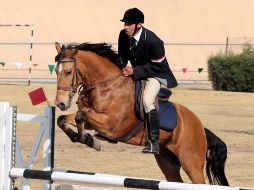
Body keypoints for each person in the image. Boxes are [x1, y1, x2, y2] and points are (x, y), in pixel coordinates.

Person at [118, 8, 178, 154]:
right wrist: (121, 67)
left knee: (147, 100)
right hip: (138, 70)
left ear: (139, 25)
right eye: (125, 23)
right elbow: (122, 55)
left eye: (129, 24)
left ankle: (153, 142)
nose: (125, 27)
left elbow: (156, 65)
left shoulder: (154, 42)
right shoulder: (124, 35)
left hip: (156, 73)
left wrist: (134, 71)